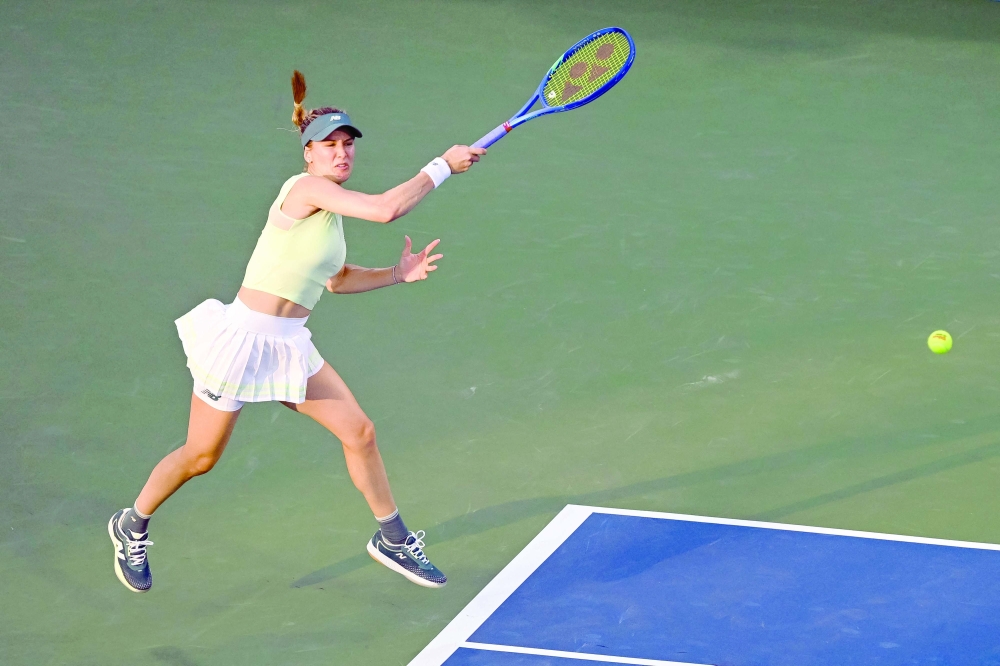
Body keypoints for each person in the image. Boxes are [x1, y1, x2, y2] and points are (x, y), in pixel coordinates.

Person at [108, 70, 485, 593]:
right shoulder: (303, 188)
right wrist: (443, 165)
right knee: (201, 456)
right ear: (307, 153)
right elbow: (385, 209)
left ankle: (392, 538)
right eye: (329, 145)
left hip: (288, 346)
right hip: (241, 343)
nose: (341, 153)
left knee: (360, 432)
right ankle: (132, 522)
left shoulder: (331, 218)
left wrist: (398, 274)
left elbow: (336, 281)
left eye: (348, 144)